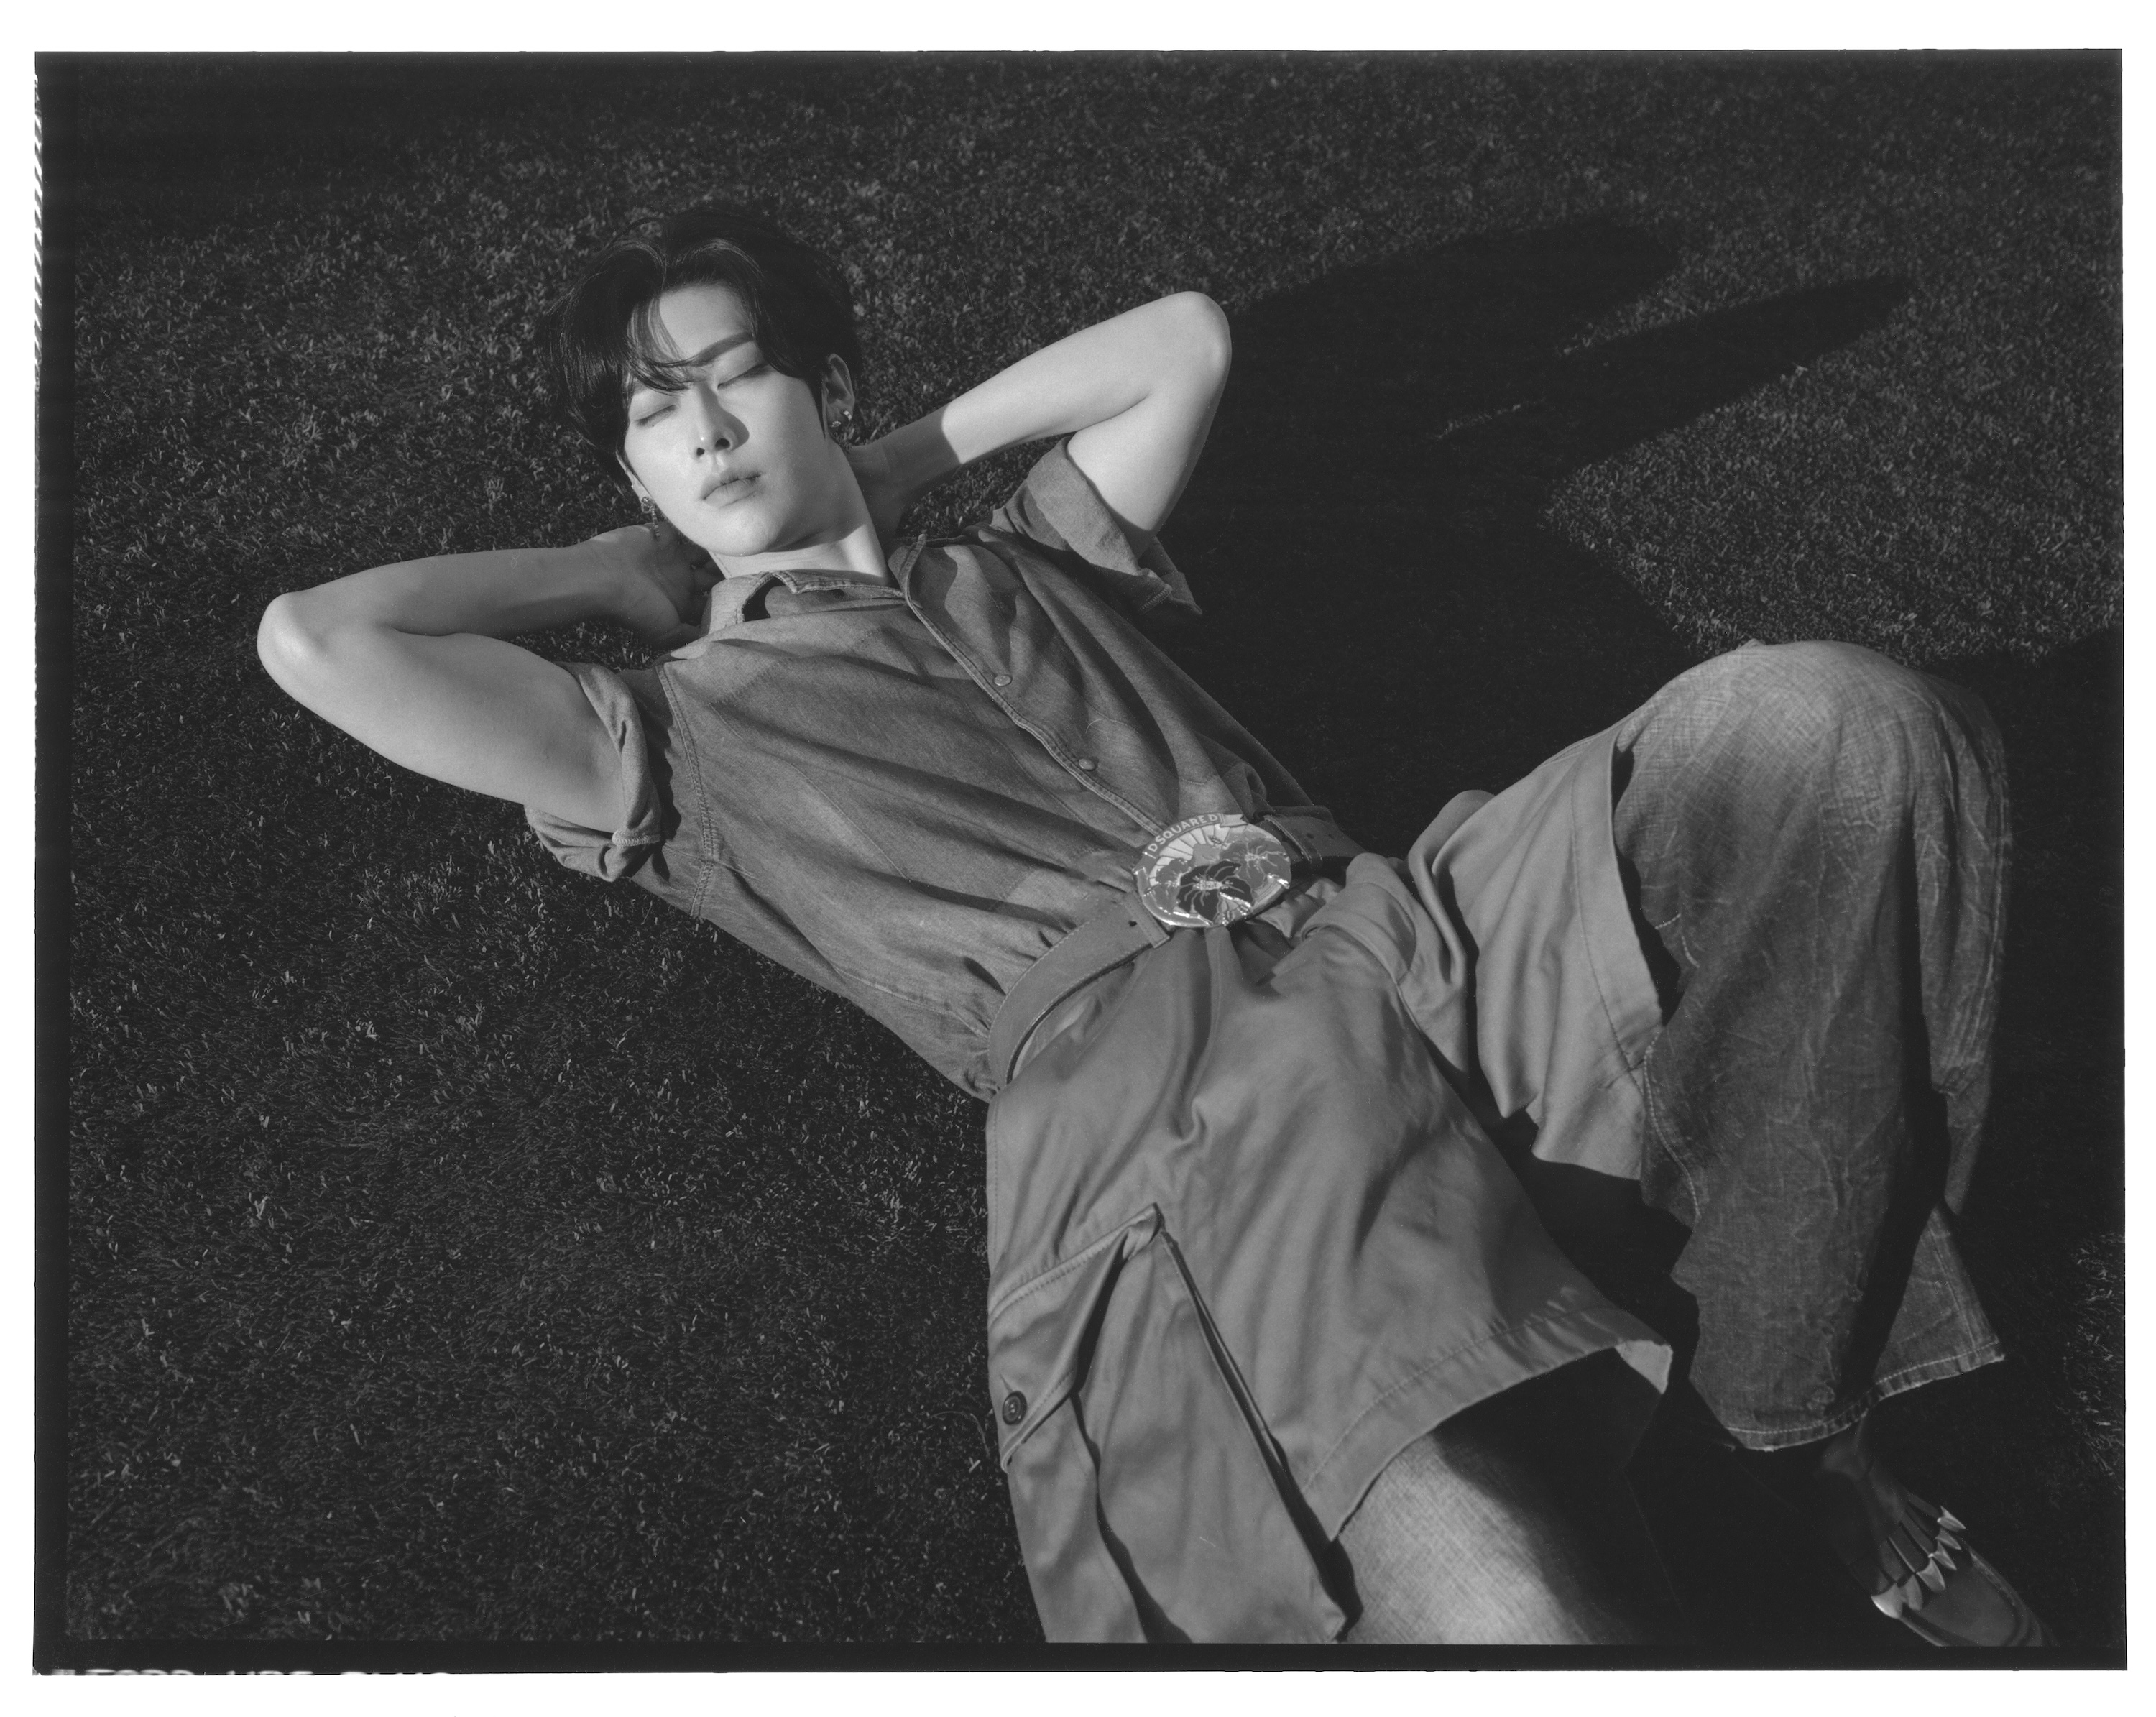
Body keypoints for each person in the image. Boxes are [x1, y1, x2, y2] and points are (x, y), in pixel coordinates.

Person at [256, 203, 2050, 1647]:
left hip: (1404, 929)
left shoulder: (1031, 559)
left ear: (827, 385)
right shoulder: (665, 739)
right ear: (635, 472)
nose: (708, 430)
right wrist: (611, 573)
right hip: (1171, 1127)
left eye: (738, 380)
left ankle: (1798, 1421)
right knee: (1513, 1611)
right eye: (657, 415)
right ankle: (1697, 1446)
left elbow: (1180, 338)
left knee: (1829, 727)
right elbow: (320, 640)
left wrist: (891, 469)